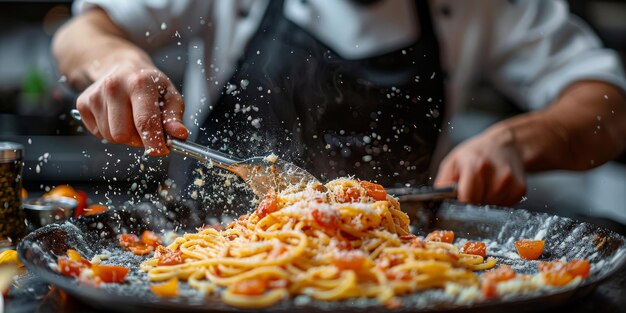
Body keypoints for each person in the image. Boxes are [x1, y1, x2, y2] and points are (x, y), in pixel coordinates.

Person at [53, 0, 626, 206]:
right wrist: (119, 66)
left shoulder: (484, 4)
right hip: (199, 263)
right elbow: (82, 32)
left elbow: (607, 107)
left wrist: (517, 140)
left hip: (397, 274)